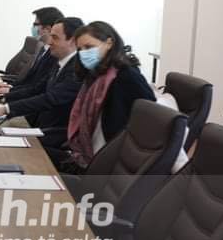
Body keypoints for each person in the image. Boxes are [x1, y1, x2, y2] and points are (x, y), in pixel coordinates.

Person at [52, 21, 156, 170]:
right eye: (80, 49)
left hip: (111, 159)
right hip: (91, 152)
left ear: (109, 43)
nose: (83, 53)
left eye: (89, 47)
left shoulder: (127, 76)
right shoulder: (95, 74)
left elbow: (149, 117)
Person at [0, 17, 83, 149]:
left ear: (73, 41)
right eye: (50, 36)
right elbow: (37, 89)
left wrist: (5, 109)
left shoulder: (77, 69)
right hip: (38, 126)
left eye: (55, 38)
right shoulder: (60, 62)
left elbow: (50, 98)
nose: (49, 41)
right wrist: (3, 98)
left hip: (53, 135)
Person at [0, 7, 64, 95]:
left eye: (35, 24)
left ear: (48, 28)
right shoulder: (43, 49)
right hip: (23, 92)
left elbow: (38, 88)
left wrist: (10, 92)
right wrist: (10, 87)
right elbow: (30, 81)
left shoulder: (55, 55)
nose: (33, 27)